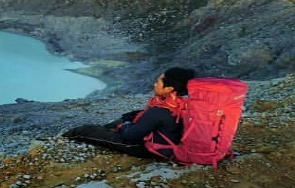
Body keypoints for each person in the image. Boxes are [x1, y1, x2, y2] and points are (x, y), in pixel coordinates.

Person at [63, 67, 196, 159]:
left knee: (86, 130)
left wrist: (126, 123)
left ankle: (60, 141)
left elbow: (131, 135)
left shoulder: (160, 110)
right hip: (171, 142)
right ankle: (104, 130)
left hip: (146, 148)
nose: (155, 84)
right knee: (128, 117)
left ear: (169, 88)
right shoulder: (185, 103)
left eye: (158, 82)